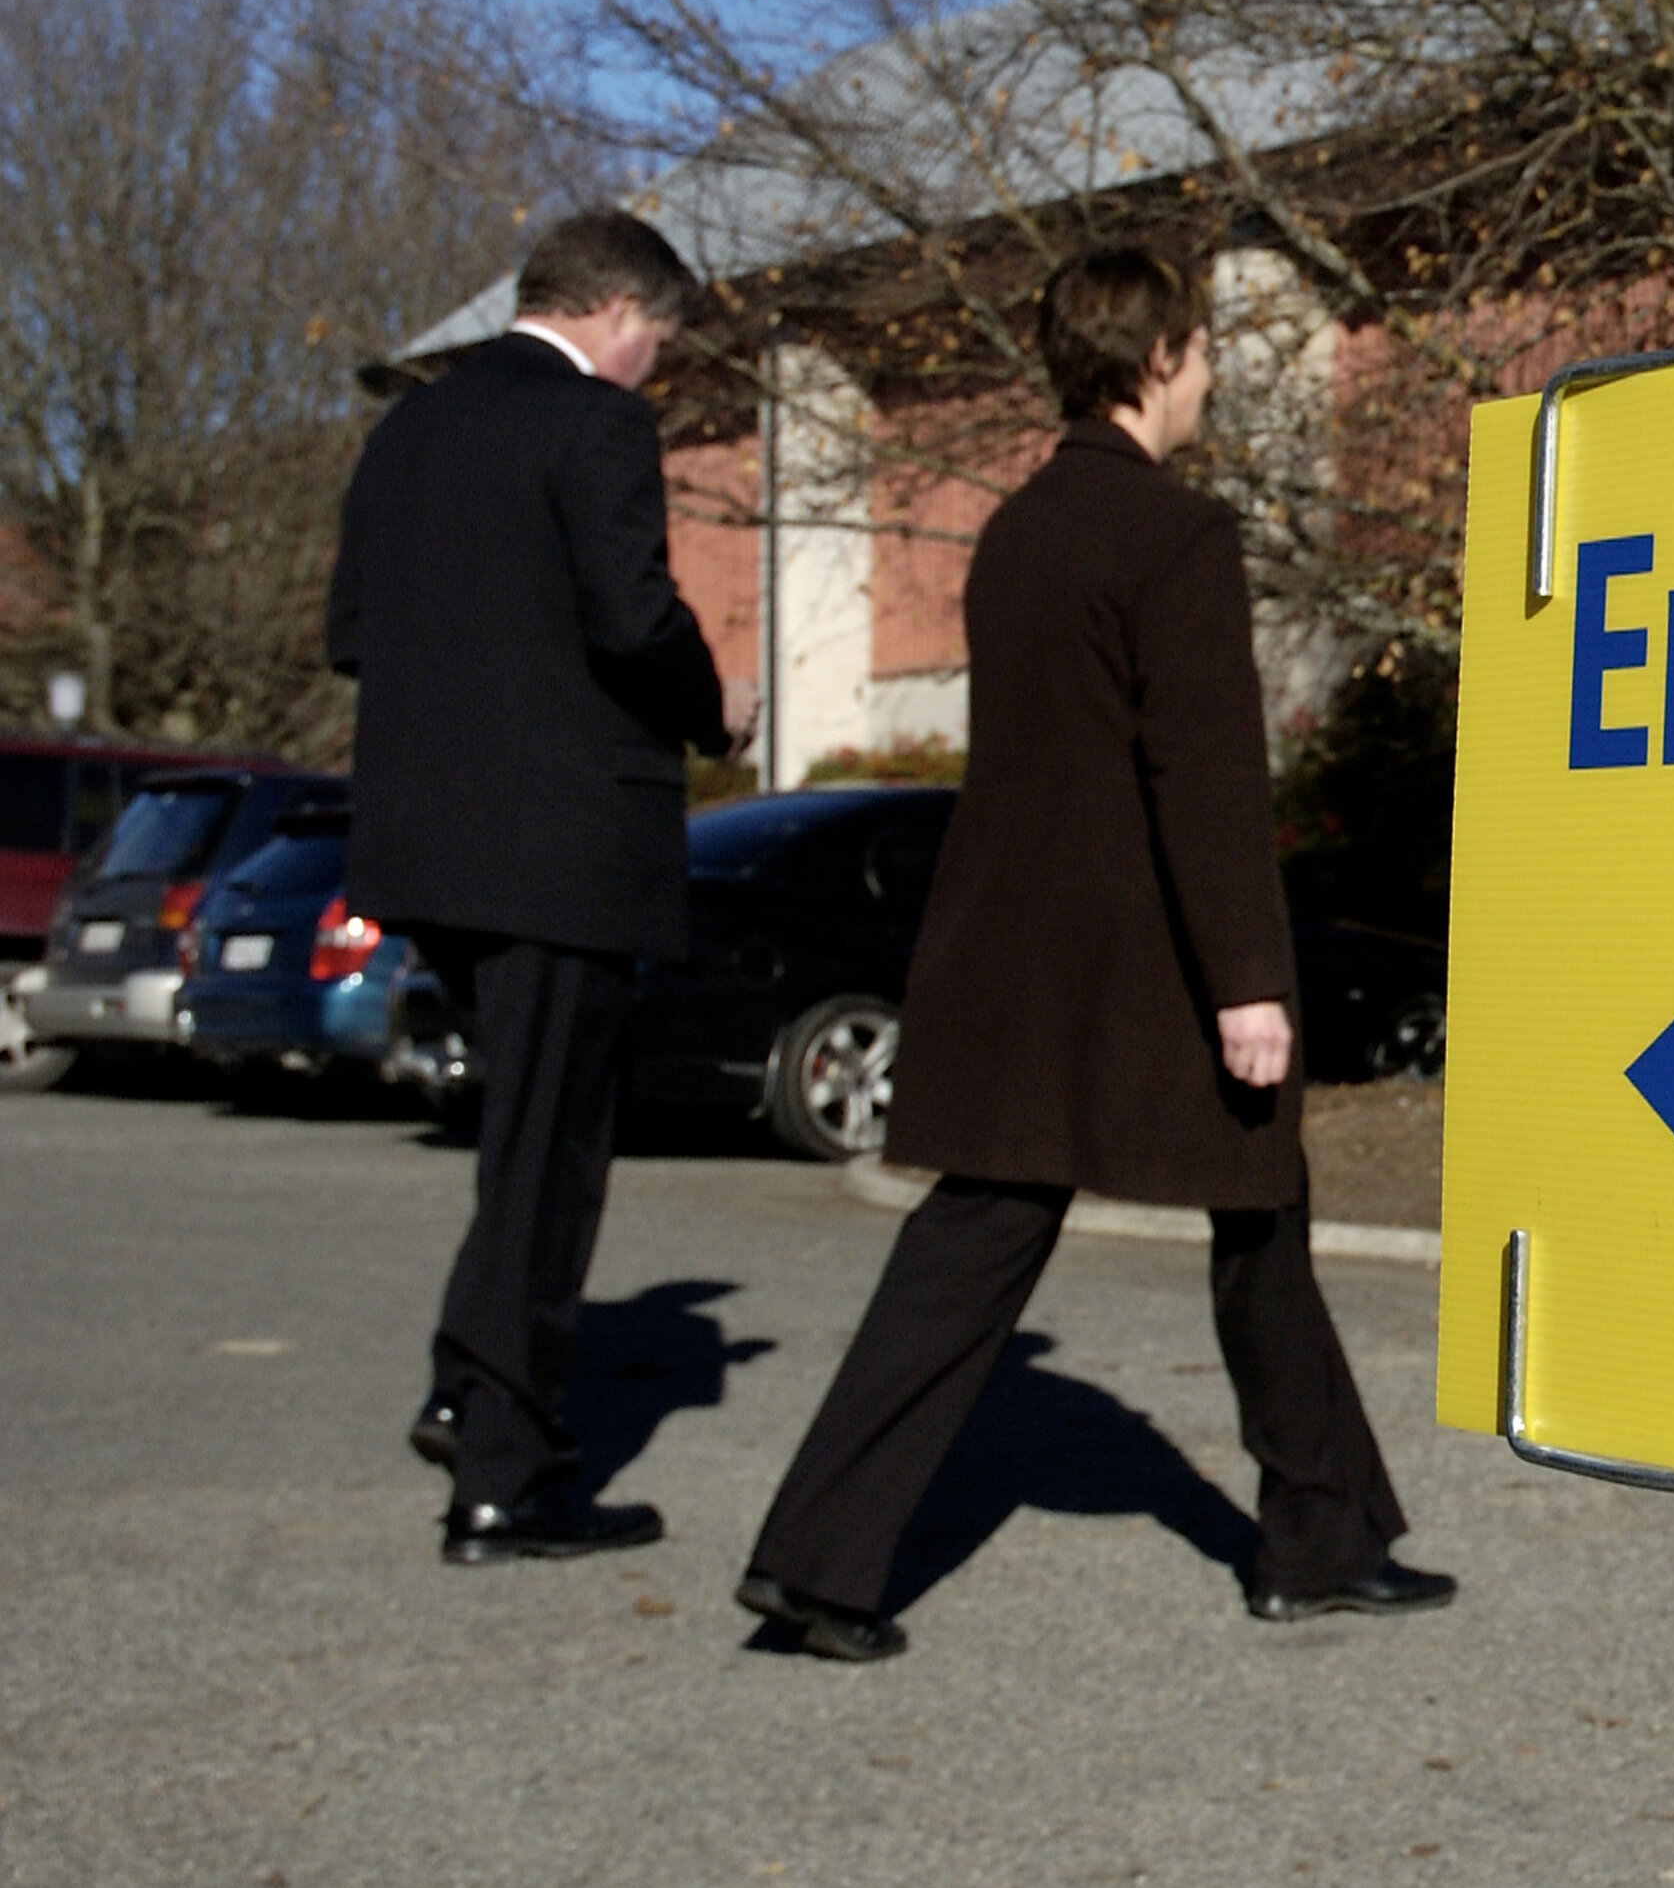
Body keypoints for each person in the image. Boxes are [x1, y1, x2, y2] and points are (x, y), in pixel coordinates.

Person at [735, 247, 1447, 1662]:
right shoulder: (1172, 534)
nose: (1212, 377)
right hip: (1148, 970)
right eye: (1201, 351)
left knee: (975, 1237)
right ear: (1160, 357)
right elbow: (1203, 775)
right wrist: (1247, 978)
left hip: (1006, 953)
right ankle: (1314, 1540)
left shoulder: (1016, 531)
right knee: (1258, 1211)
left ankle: (818, 1561)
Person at [327, 208, 733, 1562]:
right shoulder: (598, 427)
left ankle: (464, 1384)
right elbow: (631, 613)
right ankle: (504, 1476)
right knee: (552, 1157)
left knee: (518, 1139)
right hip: (559, 850)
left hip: (420, 845)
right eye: (660, 340)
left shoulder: (409, 432)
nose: (655, 367)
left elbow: (349, 634)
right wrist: (711, 700)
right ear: (620, 309)